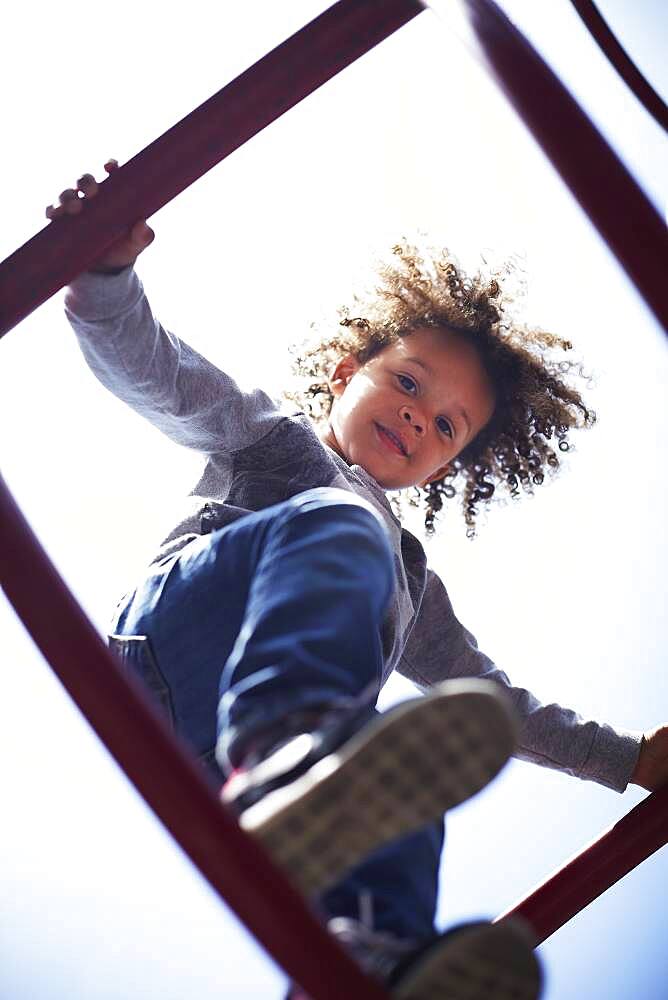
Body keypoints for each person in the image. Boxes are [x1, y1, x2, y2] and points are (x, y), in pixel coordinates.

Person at [48, 162, 668, 1000]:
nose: (419, 415)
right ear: (347, 374)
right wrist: (104, 272)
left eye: (445, 424)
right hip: (180, 650)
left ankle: (362, 958)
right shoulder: (275, 444)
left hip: (227, 771)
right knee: (339, 528)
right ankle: (287, 751)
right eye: (408, 382)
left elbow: (497, 704)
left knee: (408, 779)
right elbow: (156, 371)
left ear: (448, 463)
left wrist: (625, 757)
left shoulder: (409, 578)